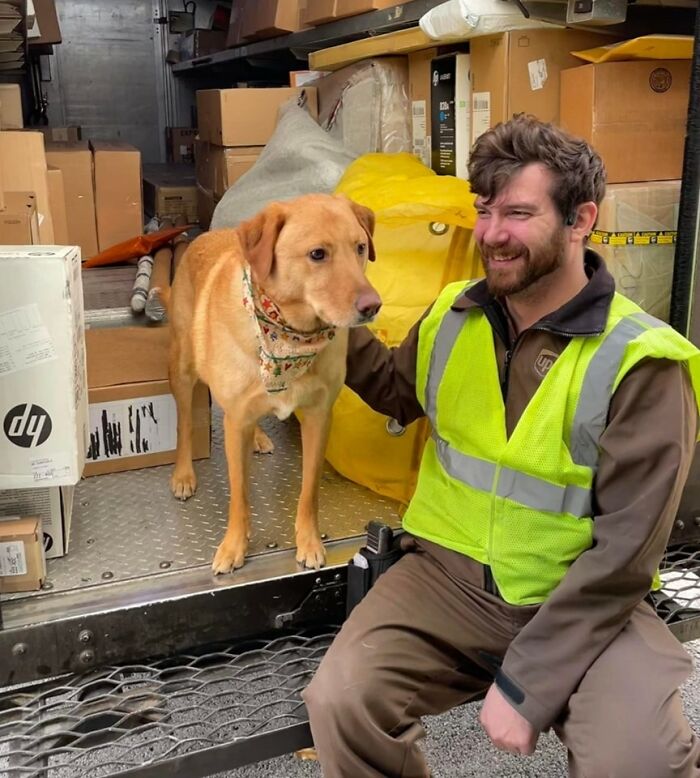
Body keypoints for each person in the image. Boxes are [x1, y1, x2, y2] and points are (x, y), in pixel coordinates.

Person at [302, 114, 700, 777]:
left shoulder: (641, 362)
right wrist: (321, 311)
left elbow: (626, 554)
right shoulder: (454, 313)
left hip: (578, 596)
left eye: (517, 213)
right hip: (444, 582)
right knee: (341, 701)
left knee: (641, 760)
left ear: (580, 221)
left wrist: (527, 684)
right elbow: (395, 391)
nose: (491, 233)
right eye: (484, 211)